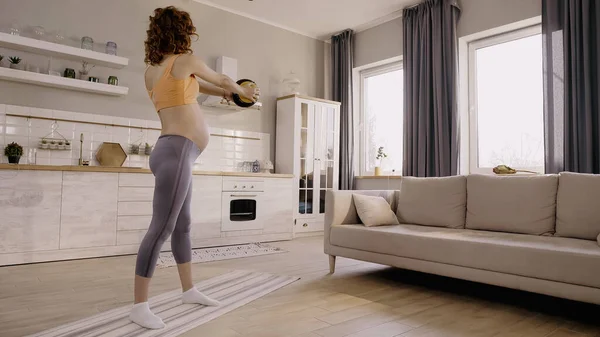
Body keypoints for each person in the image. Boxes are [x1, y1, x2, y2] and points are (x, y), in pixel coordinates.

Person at [129, 6, 260, 329]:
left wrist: (229, 95)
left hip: (172, 151)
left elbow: (207, 87)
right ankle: (139, 305)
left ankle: (189, 290)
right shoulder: (184, 60)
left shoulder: (154, 70)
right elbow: (224, 78)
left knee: (183, 225)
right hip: (176, 151)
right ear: (182, 32)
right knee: (161, 228)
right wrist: (243, 91)